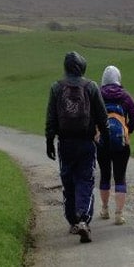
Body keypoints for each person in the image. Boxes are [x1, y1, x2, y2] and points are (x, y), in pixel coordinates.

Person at [45, 51, 109, 244]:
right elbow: (102, 116)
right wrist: (104, 140)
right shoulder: (91, 87)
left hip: (65, 143)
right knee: (85, 180)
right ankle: (83, 219)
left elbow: (51, 118)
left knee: (68, 181)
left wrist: (49, 141)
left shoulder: (56, 87)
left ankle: (73, 220)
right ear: (83, 67)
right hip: (86, 142)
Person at [97, 65, 134, 225]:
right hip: (122, 142)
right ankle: (119, 214)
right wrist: (127, 131)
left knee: (105, 175)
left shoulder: (98, 95)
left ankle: (105, 209)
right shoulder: (125, 96)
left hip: (102, 142)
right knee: (120, 177)